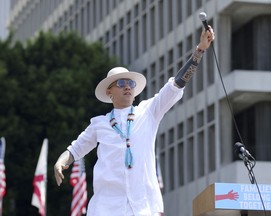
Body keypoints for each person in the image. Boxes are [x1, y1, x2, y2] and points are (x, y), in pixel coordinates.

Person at [54, 26, 215, 216]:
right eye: (121, 84)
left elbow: (176, 84)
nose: (128, 87)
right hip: (106, 208)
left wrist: (200, 50)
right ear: (109, 92)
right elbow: (75, 149)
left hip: (143, 206)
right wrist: (60, 161)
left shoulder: (148, 111)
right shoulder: (99, 123)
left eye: (130, 83)